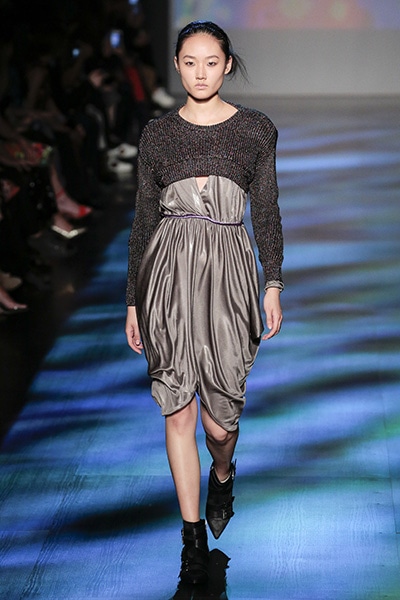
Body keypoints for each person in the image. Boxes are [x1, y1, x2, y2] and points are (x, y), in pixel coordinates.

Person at [125, 21, 283, 585]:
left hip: (229, 276)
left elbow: (266, 210)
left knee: (219, 424)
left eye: (211, 62)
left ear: (227, 65)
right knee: (177, 409)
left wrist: (272, 283)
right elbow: (144, 218)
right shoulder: (157, 134)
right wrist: (133, 300)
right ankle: (191, 540)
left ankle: (223, 472)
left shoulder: (255, 130)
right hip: (167, 274)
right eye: (189, 62)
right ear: (176, 64)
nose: (200, 73)